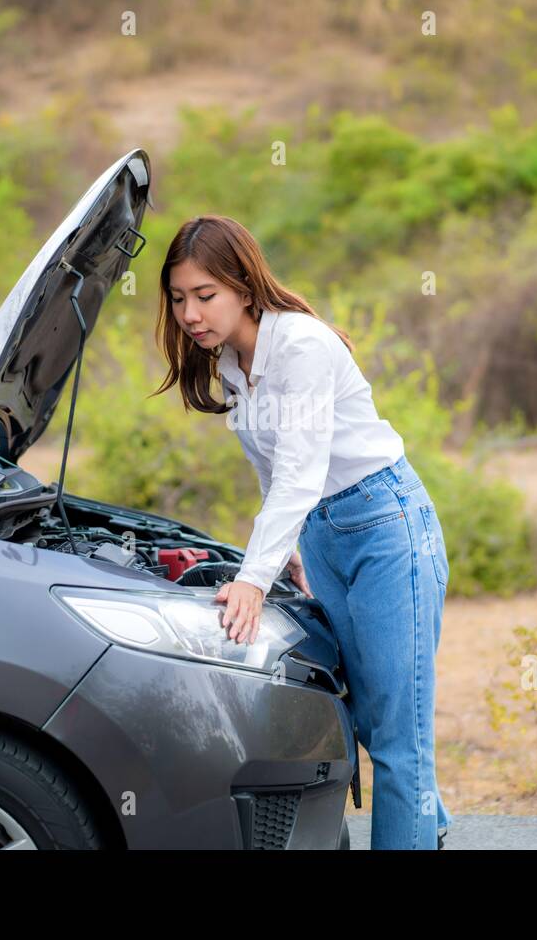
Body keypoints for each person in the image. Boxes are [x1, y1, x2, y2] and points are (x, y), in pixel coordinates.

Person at [152, 214, 452, 850]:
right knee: (368, 713)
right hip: (322, 534)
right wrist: (286, 552)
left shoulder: (304, 348)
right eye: (179, 298)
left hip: (385, 528)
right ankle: (429, 820)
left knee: (400, 737)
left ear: (244, 286)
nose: (191, 314)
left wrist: (251, 580)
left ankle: (416, 825)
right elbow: (272, 472)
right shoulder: (234, 361)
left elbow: (300, 470)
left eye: (205, 295)